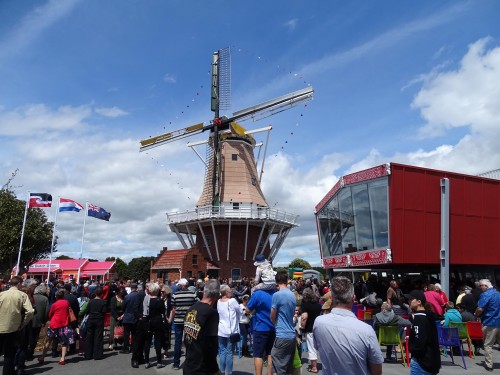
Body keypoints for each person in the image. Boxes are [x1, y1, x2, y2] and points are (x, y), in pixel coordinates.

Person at [313, 276, 383, 375]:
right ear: (353, 298)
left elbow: (318, 347)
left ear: (331, 298)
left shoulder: (319, 323)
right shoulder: (366, 330)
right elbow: (377, 370)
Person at [183, 279, 221, 375]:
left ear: (204, 291)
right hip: (202, 367)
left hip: (189, 364)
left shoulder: (191, 308)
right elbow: (211, 345)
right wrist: (215, 369)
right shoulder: (211, 313)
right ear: (217, 296)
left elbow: (187, 338)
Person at [0, 276, 34, 375]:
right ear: (19, 284)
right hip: (13, 328)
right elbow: (30, 311)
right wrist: (24, 323)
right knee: (8, 354)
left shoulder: (1, 294)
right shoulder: (22, 295)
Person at [407, 289, 441, 375]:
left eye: (411, 299)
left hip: (421, 361)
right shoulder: (429, 315)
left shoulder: (419, 318)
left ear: (419, 302)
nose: (409, 301)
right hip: (432, 360)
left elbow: (420, 341)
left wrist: (413, 349)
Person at [38, 289, 74, 365]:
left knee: (48, 341)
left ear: (56, 296)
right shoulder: (66, 303)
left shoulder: (54, 304)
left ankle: (42, 357)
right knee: (64, 342)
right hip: (64, 323)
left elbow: (50, 314)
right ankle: (62, 358)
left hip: (54, 323)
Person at [247, 283, 276, 375]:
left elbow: (248, 309)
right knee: (270, 354)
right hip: (273, 327)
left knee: (258, 355)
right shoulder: (275, 293)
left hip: (261, 327)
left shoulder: (258, 294)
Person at [170, 278, 198, 370]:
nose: (178, 286)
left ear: (181, 286)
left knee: (178, 342)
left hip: (178, 321)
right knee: (189, 342)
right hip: (189, 321)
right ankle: (189, 363)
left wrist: (170, 319)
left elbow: (173, 309)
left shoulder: (175, 295)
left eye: (179, 285)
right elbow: (196, 307)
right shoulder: (192, 294)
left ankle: (176, 364)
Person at [474, 279, 500, 372]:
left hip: (490, 322)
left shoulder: (485, 295)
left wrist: (476, 315)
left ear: (485, 286)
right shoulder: (498, 294)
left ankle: (489, 365)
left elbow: (480, 309)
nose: (480, 288)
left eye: (481, 286)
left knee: (488, 344)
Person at [217, 284, 242, 375]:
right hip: (230, 331)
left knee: (222, 352)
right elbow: (240, 311)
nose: (231, 291)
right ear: (227, 292)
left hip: (221, 330)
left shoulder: (218, 301)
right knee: (229, 352)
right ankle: (228, 372)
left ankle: (222, 371)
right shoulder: (232, 301)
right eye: (230, 290)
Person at [144, 282, 166, 369]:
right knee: (158, 341)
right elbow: (163, 311)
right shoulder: (160, 300)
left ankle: (146, 361)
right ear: (157, 291)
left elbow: (145, 311)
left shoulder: (147, 300)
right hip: (158, 320)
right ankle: (159, 361)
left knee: (147, 341)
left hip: (149, 320)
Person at [299, 288, 322, 373]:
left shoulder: (305, 305)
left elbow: (304, 317)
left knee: (312, 348)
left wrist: (302, 326)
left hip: (309, 329)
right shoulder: (317, 304)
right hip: (318, 328)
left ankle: (314, 367)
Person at [84, 286, 107, 360]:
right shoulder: (103, 302)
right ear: (102, 294)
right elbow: (104, 312)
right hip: (99, 319)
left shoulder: (90, 301)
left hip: (91, 319)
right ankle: (97, 355)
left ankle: (88, 355)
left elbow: (87, 311)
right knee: (98, 337)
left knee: (89, 337)